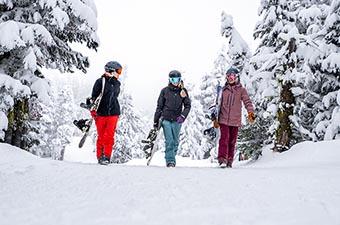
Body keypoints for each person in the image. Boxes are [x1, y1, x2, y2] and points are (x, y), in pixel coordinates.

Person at [214, 67, 255, 168]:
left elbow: (247, 102)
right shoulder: (223, 90)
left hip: (235, 120)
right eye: (228, 76)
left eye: (232, 76)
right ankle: (222, 159)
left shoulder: (241, 90)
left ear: (237, 77)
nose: (230, 78)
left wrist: (250, 112)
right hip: (223, 119)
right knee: (224, 138)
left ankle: (229, 160)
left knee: (232, 141)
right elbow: (217, 104)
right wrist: (214, 117)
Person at [153, 70, 191, 167]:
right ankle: (170, 160)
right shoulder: (165, 91)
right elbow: (159, 106)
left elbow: (187, 105)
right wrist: (156, 121)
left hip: (177, 120)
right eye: (173, 79)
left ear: (180, 79)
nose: (175, 81)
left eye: (177, 79)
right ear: (169, 80)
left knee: (175, 141)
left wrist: (183, 116)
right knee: (169, 140)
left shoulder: (183, 91)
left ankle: (172, 156)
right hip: (166, 119)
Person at [91, 61, 122, 165]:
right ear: (111, 71)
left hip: (113, 113)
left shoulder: (117, 83)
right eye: (118, 71)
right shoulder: (100, 82)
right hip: (101, 113)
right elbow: (94, 98)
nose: (119, 73)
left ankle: (107, 157)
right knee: (101, 136)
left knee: (109, 136)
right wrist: (93, 111)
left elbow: (114, 98)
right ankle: (100, 157)